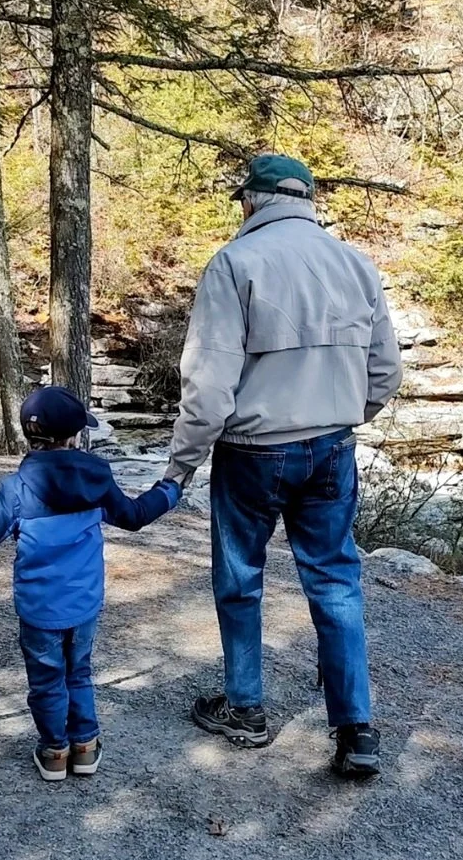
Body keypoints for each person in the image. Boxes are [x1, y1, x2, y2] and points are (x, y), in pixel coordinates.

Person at [165, 154, 402, 777]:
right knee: (335, 582)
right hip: (333, 447)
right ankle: (357, 731)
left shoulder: (234, 263)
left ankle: (245, 708)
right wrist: (345, 415)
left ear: (251, 201)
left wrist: (180, 466)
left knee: (241, 578)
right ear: (308, 199)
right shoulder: (356, 264)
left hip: (252, 453)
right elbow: (385, 373)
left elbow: (209, 385)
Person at [0, 385, 181, 782]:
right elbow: (134, 515)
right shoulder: (97, 481)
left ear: (28, 437)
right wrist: (169, 489)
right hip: (84, 605)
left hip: (38, 610)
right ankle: (84, 746)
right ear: (73, 437)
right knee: (78, 671)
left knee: (47, 679)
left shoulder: (16, 490)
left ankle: (54, 752)